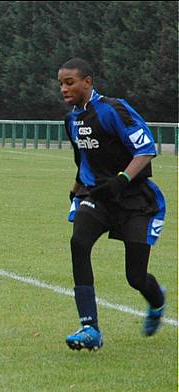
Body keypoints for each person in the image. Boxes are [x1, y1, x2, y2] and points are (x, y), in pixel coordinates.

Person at [58, 58, 166, 351]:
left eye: (70, 83)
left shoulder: (113, 109)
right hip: (98, 197)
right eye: (61, 84)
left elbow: (145, 150)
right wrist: (76, 189)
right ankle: (90, 327)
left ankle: (157, 302)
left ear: (87, 82)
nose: (64, 89)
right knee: (79, 243)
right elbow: (84, 161)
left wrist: (122, 179)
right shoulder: (71, 121)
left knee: (135, 277)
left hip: (135, 201)